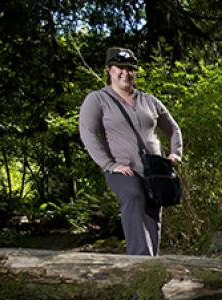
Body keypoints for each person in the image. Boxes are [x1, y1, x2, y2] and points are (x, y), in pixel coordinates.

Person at [78, 47, 183, 256]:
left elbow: (172, 128)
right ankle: (139, 264)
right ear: (109, 69)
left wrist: (175, 152)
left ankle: (151, 270)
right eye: (120, 67)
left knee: (153, 216)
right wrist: (110, 165)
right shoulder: (98, 99)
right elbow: (88, 133)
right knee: (134, 196)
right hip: (121, 170)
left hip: (154, 170)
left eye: (130, 68)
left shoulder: (149, 100)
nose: (125, 73)